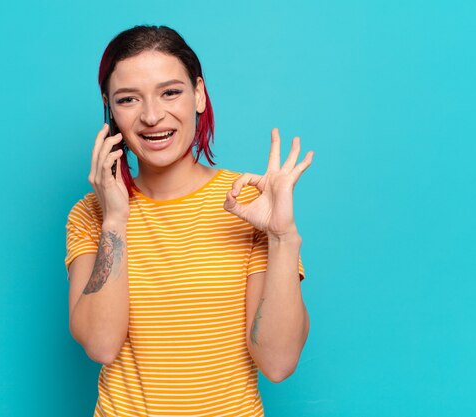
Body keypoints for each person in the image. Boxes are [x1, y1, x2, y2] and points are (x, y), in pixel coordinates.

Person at [65, 25, 314, 417]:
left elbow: (278, 363)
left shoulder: (251, 203)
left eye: (170, 92)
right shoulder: (91, 213)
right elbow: (101, 344)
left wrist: (282, 237)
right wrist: (114, 219)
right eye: (128, 99)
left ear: (199, 93)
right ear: (110, 108)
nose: (151, 116)